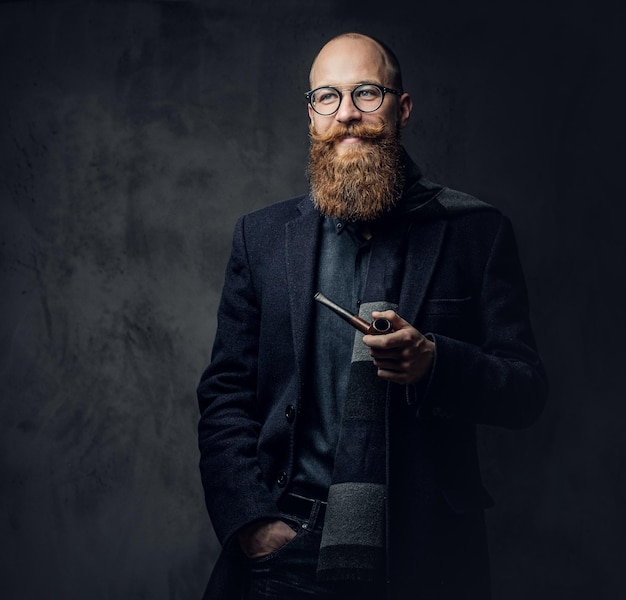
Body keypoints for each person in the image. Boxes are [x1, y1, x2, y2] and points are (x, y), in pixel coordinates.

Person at [197, 32, 547, 600]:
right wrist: (253, 525)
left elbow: (526, 390)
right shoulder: (260, 238)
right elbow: (226, 394)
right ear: (311, 116)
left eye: (366, 93)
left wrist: (436, 362)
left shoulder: (476, 233)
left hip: (425, 552)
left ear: (401, 108)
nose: (347, 115)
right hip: (286, 552)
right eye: (327, 98)